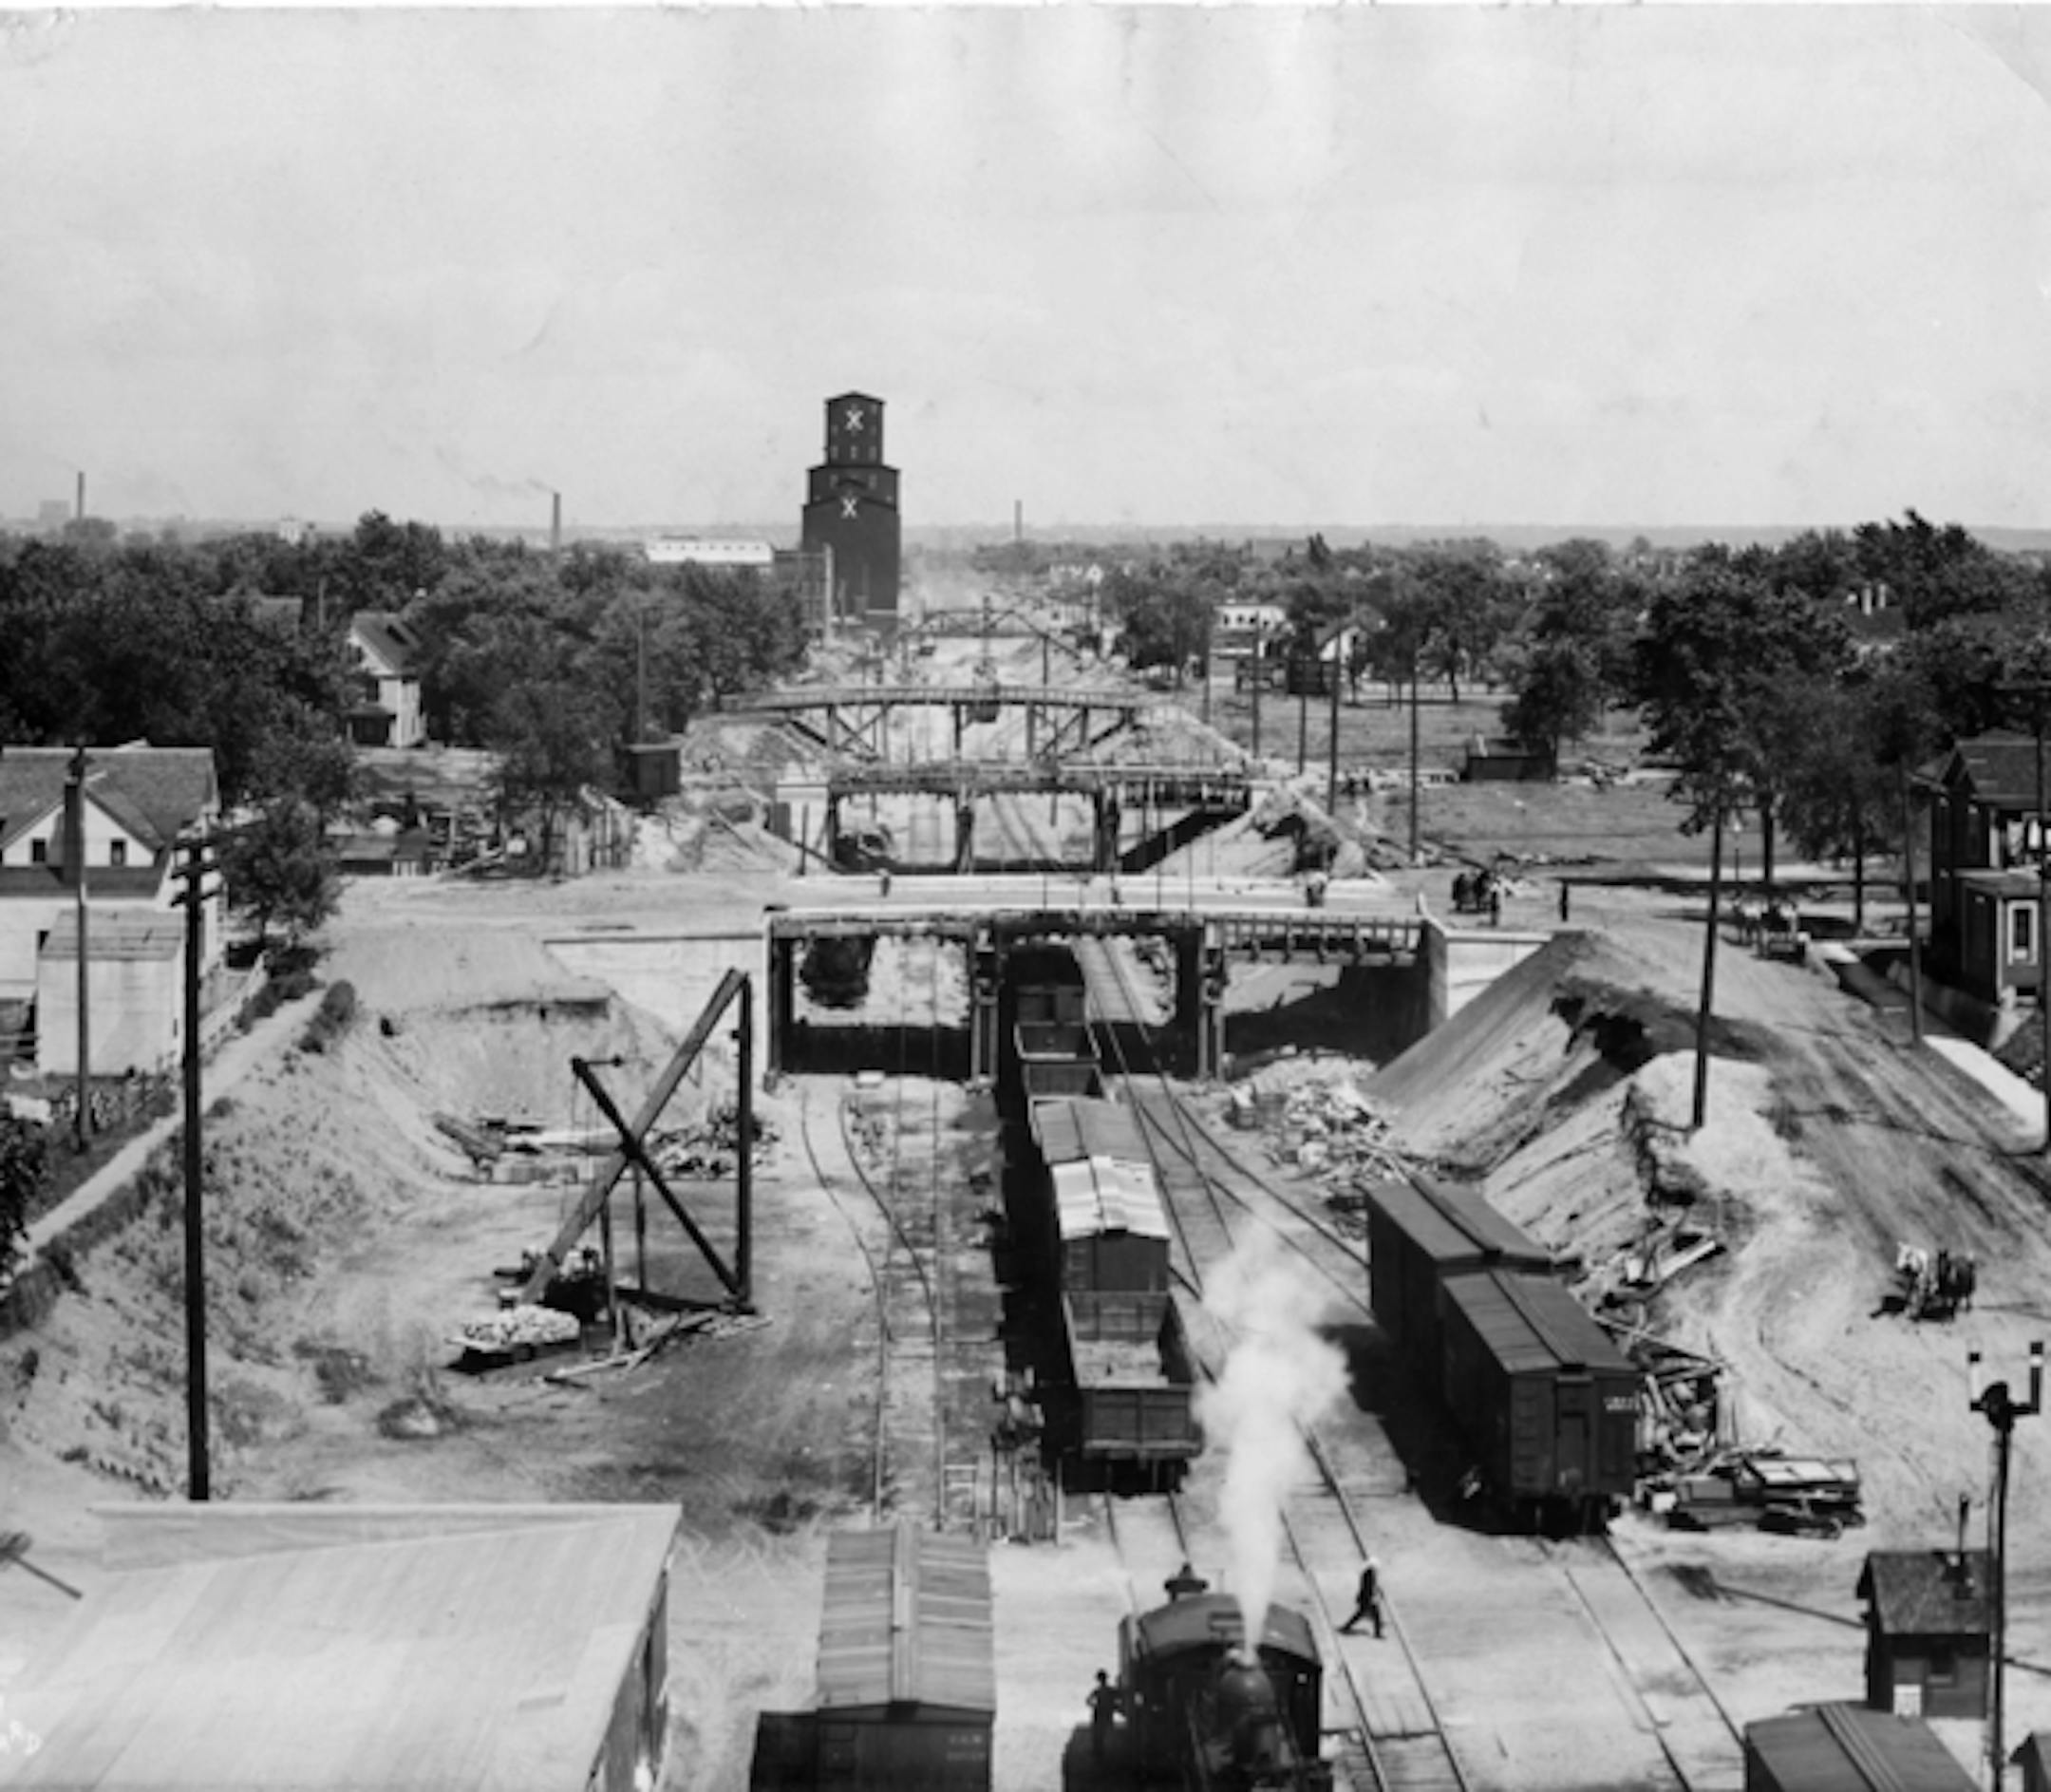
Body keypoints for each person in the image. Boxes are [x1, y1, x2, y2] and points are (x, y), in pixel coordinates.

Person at [1340, 1555, 1383, 1637]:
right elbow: (1369, 1587)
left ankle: (1346, 1627)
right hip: (1368, 1598)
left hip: (1366, 1597)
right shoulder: (1369, 1574)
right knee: (1375, 1615)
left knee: (1360, 1614)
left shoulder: (1367, 1573)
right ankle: (1377, 1633)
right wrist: (1373, 1596)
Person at [1087, 1669, 1121, 1762]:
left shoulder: (1097, 1690)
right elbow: (1119, 1698)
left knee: (1098, 1732)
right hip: (1108, 1712)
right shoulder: (1111, 1690)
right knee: (1108, 1731)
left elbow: (1088, 1700)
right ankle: (1108, 1750)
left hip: (1099, 1712)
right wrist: (1115, 1707)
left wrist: (1094, 1706)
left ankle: (1098, 1750)